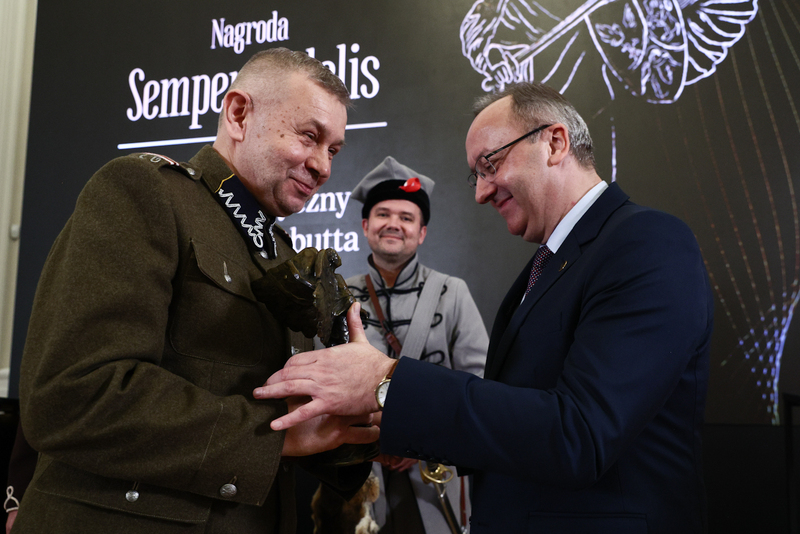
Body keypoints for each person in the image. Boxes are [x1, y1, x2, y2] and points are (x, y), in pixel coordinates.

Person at [254, 81, 714, 534]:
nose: (481, 193)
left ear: (554, 142)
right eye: (476, 175)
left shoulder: (646, 242)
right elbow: (514, 420)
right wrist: (378, 419)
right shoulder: (549, 264)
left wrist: (385, 382)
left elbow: (581, 435)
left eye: (490, 165)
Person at [15, 48, 379, 534]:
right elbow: (72, 395)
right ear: (239, 113)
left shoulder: (282, 251)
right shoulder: (144, 190)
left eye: (333, 150)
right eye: (309, 136)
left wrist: (351, 425)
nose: (322, 167)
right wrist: (273, 436)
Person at [346, 157, 488, 532]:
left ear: (422, 232)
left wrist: (423, 440)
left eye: (407, 218)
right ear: (366, 226)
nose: (394, 223)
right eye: (383, 214)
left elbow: (479, 383)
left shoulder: (451, 292)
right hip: (358, 470)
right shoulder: (340, 294)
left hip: (432, 469)